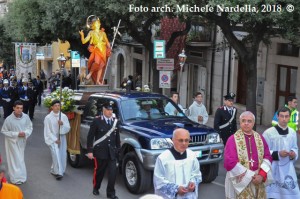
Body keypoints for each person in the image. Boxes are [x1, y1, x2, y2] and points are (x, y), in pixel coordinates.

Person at [224, 111, 272, 199]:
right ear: (240, 122)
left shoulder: (260, 138)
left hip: (258, 179)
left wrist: (261, 175)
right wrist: (250, 176)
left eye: (249, 121)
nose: (246, 123)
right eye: (243, 121)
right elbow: (229, 162)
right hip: (240, 181)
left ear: (253, 123)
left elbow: (268, 157)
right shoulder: (232, 139)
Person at [263, 106, 300, 198]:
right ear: (278, 117)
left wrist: (293, 153)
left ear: (289, 117)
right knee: (272, 195)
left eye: (286, 116)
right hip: (273, 169)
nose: (284, 119)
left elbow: (295, 147)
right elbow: (263, 152)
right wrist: (278, 154)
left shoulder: (292, 133)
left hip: (288, 169)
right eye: (282, 116)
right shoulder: (268, 133)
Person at [153, 128, 202, 199]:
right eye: (180, 140)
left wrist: (193, 183)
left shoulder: (192, 156)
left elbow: (196, 174)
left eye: (186, 140)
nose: (184, 143)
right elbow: (159, 181)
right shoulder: (163, 158)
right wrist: (176, 189)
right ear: (173, 140)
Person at [87, 101, 120, 199]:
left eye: (111, 110)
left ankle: (111, 193)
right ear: (103, 110)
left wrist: (118, 149)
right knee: (99, 172)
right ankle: (96, 187)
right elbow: (90, 136)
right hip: (100, 152)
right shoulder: (97, 121)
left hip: (112, 153)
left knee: (113, 173)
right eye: (108, 110)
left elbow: (117, 136)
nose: (110, 112)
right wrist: (89, 151)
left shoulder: (115, 121)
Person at [1, 100, 33, 185]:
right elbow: (4, 131)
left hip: (22, 142)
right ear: (14, 108)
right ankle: (15, 178)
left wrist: (25, 133)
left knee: (20, 159)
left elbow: (30, 127)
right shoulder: (9, 119)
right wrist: (17, 134)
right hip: (12, 142)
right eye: (17, 108)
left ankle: (22, 176)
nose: (19, 110)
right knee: (14, 159)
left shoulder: (26, 117)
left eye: (21, 108)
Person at [79, 15, 111, 85]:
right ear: (93, 25)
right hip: (96, 50)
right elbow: (84, 41)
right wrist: (82, 35)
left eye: (98, 23)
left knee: (101, 66)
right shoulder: (91, 33)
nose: (98, 24)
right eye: (96, 23)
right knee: (96, 62)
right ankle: (90, 74)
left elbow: (107, 42)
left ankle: (98, 81)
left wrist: (109, 48)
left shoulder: (103, 33)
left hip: (103, 50)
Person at [44, 100, 70, 180]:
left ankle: (58, 169)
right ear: (52, 107)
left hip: (61, 137)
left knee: (62, 154)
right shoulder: (48, 117)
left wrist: (62, 125)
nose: (57, 107)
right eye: (55, 105)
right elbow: (47, 131)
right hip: (52, 139)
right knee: (55, 154)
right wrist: (55, 139)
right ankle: (58, 172)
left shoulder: (63, 116)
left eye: (59, 105)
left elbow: (68, 128)